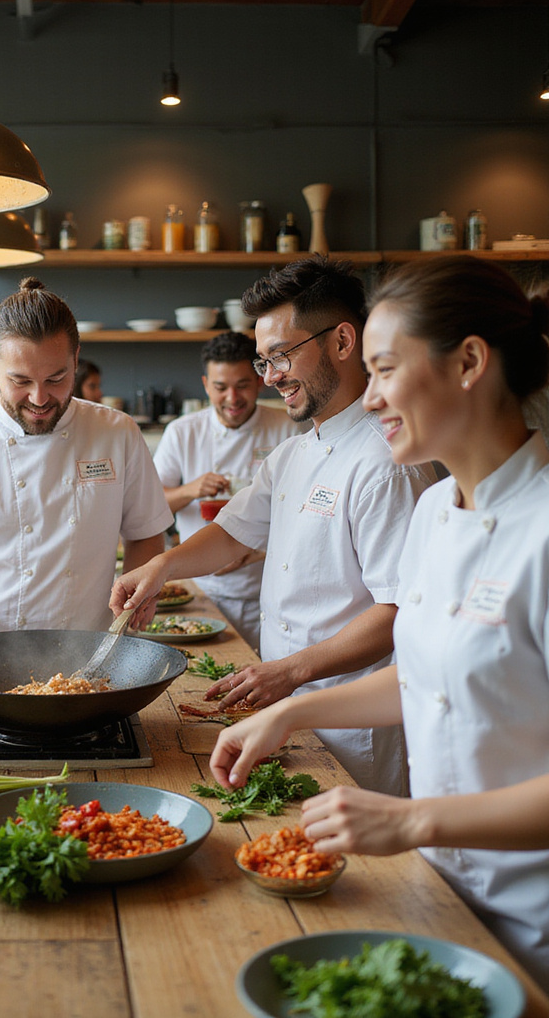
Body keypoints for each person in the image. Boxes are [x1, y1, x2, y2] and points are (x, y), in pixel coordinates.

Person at [209, 255, 549, 992]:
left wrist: (414, 820)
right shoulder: (436, 512)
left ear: (469, 363)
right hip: (442, 891)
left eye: (385, 370)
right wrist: (289, 712)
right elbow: (425, 679)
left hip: (536, 916)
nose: (369, 399)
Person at [111, 257, 435, 795]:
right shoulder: (292, 454)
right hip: (284, 705)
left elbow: (398, 611)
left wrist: (291, 670)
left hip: (353, 721)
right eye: (264, 361)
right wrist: (161, 567)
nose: (270, 377)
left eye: (281, 355)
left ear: (343, 341)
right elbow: (232, 535)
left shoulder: (386, 462)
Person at [0, 277, 173, 638]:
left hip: (93, 649)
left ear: (76, 360)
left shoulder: (118, 432)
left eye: (56, 379)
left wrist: (135, 595)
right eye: (20, 381)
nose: (39, 398)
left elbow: (145, 533)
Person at [153, 331, 303, 649]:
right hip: (197, 592)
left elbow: (302, 515)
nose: (232, 398)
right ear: (206, 385)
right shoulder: (182, 432)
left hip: (268, 589)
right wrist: (190, 490)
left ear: (260, 380)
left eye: (242, 385)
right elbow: (150, 507)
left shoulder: (288, 428)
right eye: (221, 387)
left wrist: (257, 552)